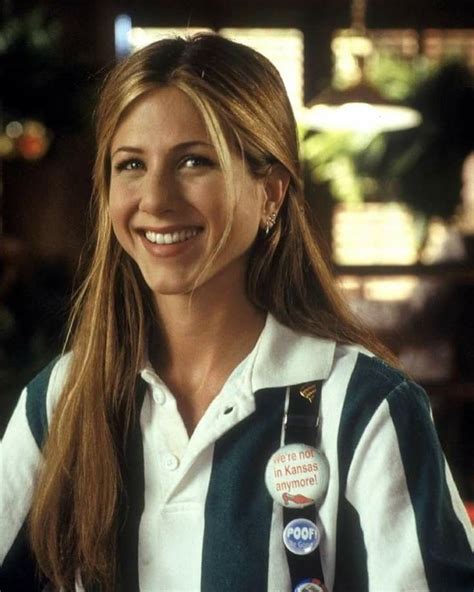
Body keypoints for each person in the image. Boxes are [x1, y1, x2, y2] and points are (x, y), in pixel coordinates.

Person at [0, 33, 472, 592]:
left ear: (270, 193)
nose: (155, 199)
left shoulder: (367, 408)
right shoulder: (60, 400)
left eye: (195, 161)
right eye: (130, 165)